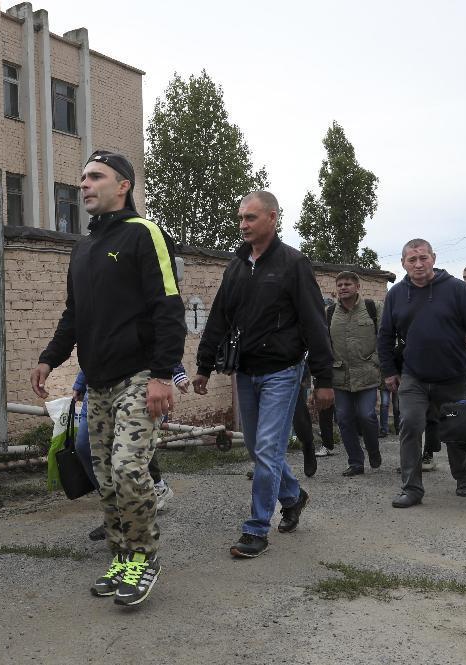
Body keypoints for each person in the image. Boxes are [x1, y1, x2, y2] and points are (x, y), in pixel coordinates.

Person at [33, 150, 185, 607]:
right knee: (105, 474)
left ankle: (143, 557)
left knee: (128, 467)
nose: (84, 184)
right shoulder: (83, 249)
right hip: (97, 384)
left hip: (139, 378)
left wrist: (162, 375)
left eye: (95, 176)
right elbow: (74, 315)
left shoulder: (145, 234)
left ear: (123, 186)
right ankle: (120, 557)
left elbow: (168, 308)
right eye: (81, 177)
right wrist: (49, 358)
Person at [194, 191, 333, 558]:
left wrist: (324, 379)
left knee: (268, 449)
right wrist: (204, 366)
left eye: (251, 218)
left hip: (283, 372)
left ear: (272, 218)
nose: (243, 225)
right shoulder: (236, 266)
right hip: (246, 370)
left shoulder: (293, 264)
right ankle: (292, 495)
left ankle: (256, 529)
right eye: (240, 218)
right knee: (258, 448)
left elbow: (315, 322)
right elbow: (219, 317)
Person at [377, 239, 466, 507]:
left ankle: (464, 477)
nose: (418, 264)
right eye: (412, 260)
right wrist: (389, 371)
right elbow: (384, 336)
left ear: (433, 258)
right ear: (403, 263)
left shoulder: (455, 289)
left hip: (452, 376)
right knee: (410, 426)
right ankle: (412, 489)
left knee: (457, 430)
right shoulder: (396, 294)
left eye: (423, 258)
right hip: (413, 376)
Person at [73, 366, 185, 540]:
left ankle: (134, 532)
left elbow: (165, 339)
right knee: (84, 446)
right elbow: (92, 342)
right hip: (98, 386)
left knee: (126, 458)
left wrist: (174, 373)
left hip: (136, 383)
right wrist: (80, 383)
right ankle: (116, 512)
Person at [326, 272, 383, 475]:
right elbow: (325, 344)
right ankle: (356, 462)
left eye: (348, 284)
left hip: (367, 373)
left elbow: (384, 336)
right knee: (343, 418)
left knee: (367, 415)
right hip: (340, 375)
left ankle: (373, 450)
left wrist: (377, 360)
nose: (343, 287)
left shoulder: (372, 308)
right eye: (339, 284)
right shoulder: (330, 313)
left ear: (357, 287)